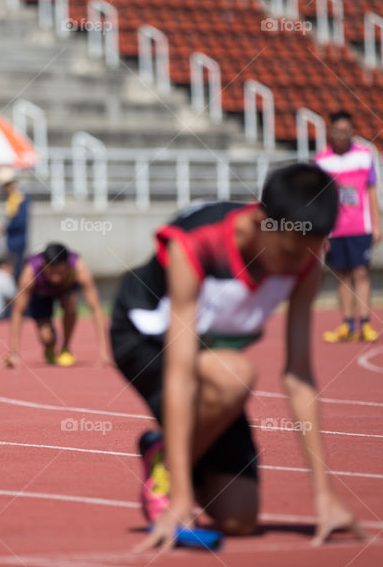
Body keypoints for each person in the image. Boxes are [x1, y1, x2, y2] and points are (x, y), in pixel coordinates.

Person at [111, 163, 365, 550]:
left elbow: (299, 375)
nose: (296, 265)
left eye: (310, 252)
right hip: (144, 339)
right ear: (262, 221)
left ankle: (160, 448)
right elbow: (179, 373)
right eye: (288, 252)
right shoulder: (196, 242)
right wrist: (180, 499)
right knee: (236, 374)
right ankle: (167, 472)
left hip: (209, 355)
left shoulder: (307, 256)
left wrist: (324, 496)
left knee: (239, 518)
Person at [314, 111, 383, 343]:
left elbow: (372, 191)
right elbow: (319, 199)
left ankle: (364, 324)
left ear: (352, 131)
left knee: (361, 273)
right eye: (337, 131)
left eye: (346, 131)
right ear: (330, 132)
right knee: (341, 275)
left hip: (360, 227)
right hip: (334, 229)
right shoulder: (321, 161)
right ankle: (347, 324)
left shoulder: (364, 156)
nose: (342, 135)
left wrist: (377, 224)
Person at [5, 242, 109, 368]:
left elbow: (96, 308)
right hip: (41, 294)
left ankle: (65, 347)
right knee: (46, 337)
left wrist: (104, 352)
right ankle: (50, 345)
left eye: (60, 272)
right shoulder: (30, 272)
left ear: (67, 266)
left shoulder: (79, 268)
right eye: (51, 272)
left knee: (70, 304)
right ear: (44, 265)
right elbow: (18, 311)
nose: (56, 277)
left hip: (66, 290)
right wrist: (14, 353)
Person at [0, 167, 30, 276]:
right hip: (13, 240)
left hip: (17, 241)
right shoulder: (13, 198)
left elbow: (19, 222)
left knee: (16, 269)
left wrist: (4, 228)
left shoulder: (19, 198)